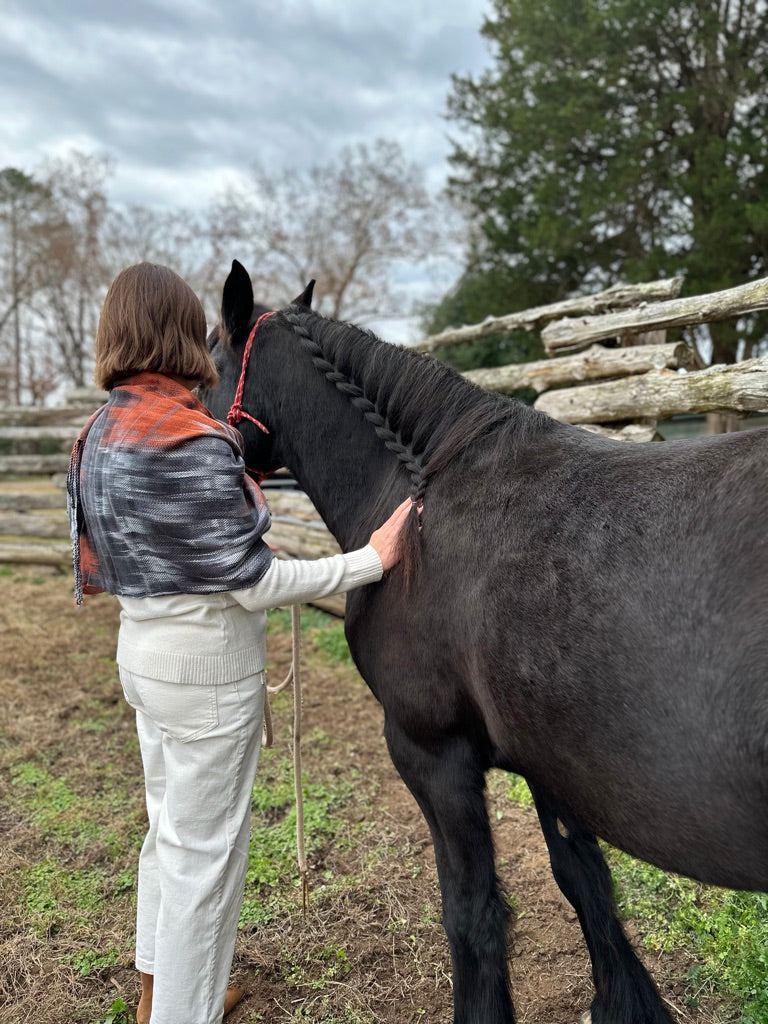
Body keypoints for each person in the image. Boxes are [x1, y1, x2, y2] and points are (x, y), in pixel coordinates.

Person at [67, 263, 411, 1024]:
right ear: (186, 334)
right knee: (205, 864)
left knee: (169, 837)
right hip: (206, 680)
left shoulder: (97, 435)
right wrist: (371, 560)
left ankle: (161, 990)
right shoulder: (193, 440)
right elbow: (250, 583)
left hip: (143, 662)